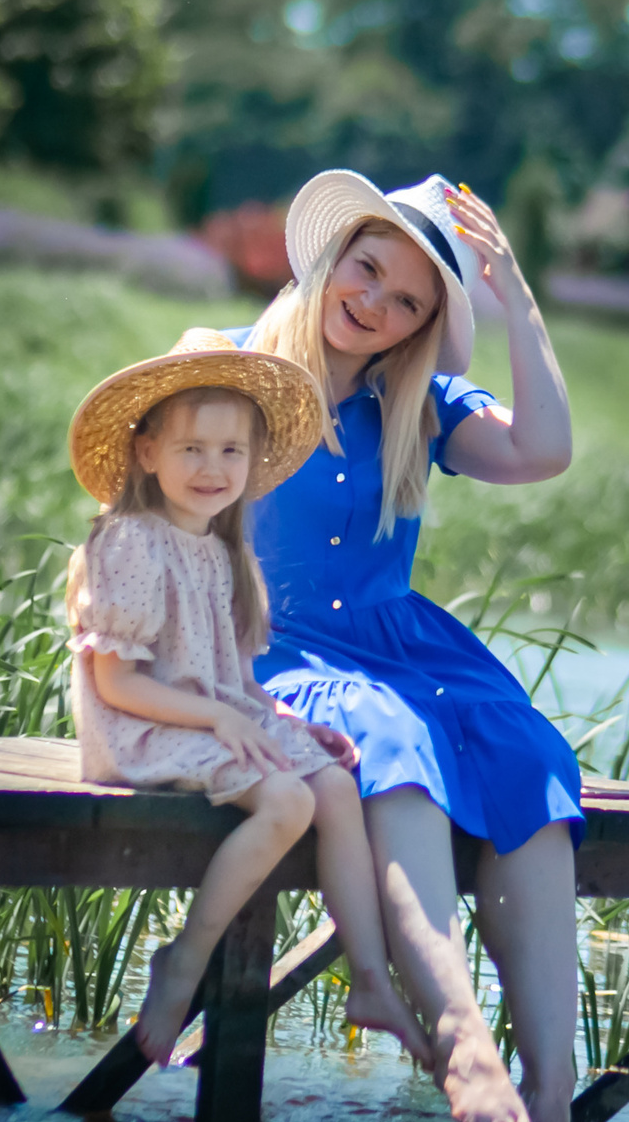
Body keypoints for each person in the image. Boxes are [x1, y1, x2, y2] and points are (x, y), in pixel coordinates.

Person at [234, 170, 583, 1122]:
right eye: (367, 270)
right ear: (334, 254)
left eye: (408, 300)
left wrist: (512, 300)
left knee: (524, 754)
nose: (375, 304)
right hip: (283, 645)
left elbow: (543, 449)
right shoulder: (252, 373)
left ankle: (551, 1100)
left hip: (402, 640)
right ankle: (462, 1034)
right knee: (385, 732)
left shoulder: (416, 402)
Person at [63, 329, 432, 1072]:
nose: (212, 468)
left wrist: (287, 722)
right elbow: (116, 684)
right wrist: (226, 718)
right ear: (147, 454)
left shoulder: (224, 552)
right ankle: (185, 959)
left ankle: (369, 977)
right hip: (141, 729)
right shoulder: (132, 542)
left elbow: (234, 681)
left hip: (205, 719)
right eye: (192, 449)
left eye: (231, 451)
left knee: (331, 784)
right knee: (287, 803)